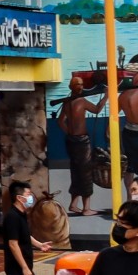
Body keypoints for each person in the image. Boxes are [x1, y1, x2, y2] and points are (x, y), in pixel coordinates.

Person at [57, 88, 103, 216]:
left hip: (71, 141)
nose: (81, 87)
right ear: (74, 87)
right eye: (79, 85)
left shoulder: (66, 103)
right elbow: (97, 109)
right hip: (82, 141)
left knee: (76, 171)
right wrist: (106, 97)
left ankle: (73, 204)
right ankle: (86, 208)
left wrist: (70, 133)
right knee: (85, 172)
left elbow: (60, 121)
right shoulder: (82, 101)